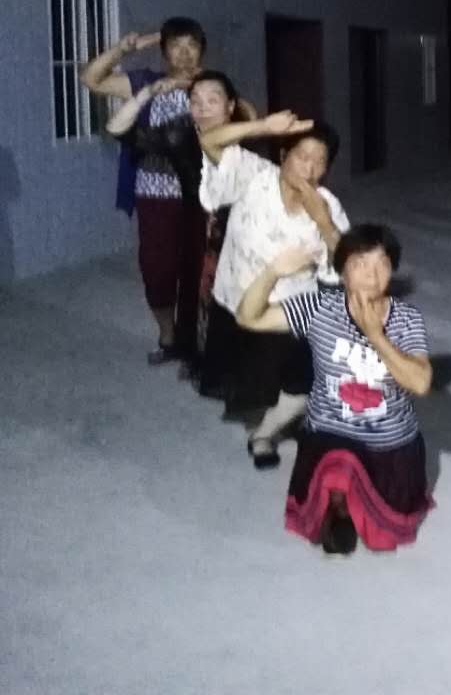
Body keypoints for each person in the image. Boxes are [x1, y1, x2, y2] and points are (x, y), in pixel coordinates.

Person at [236, 226, 432, 556]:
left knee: (383, 532)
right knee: (337, 468)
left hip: (388, 438)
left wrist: (376, 335)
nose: (372, 275)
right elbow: (249, 317)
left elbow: (421, 383)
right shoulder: (319, 308)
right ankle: (340, 507)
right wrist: (272, 272)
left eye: (382, 264)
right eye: (360, 264)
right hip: (329, 431)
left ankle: (351, 506)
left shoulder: (406, 319)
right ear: (342, 272)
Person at [199, 112, 349, 468]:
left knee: (304, 384)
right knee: (246, 385)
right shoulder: (255, 176)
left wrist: (323, 221)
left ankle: (264, 434)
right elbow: (208, 141)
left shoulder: (328, 205)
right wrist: (263, 127)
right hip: (237, 302)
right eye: (302, 156)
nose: (309, 169)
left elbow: (349, 267)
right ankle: (262, 419)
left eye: (319, 162)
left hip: (287, 313)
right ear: (283, 156)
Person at [105, 69, 251, 384]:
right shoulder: (181, 132)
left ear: (230, 104)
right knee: (199, 291)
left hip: (246, 222)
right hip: (203, 223)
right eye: (195, 101)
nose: (203, 108)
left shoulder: (247, 131)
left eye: (213, 100)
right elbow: (116, 128)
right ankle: (197, 354)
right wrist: (146, 93)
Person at [83, 20, 207, 364]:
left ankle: (193, 339)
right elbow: (91, 79)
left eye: (191, 45)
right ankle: (168, 336)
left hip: (200, 195)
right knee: (156, 271)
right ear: (164, 51)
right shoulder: (145, 82)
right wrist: (125, 49)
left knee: (199, 271)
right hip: (154, 195)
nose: (184, 53)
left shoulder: (212, 86)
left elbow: (243, 116)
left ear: (202, 50)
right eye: (175, 45)